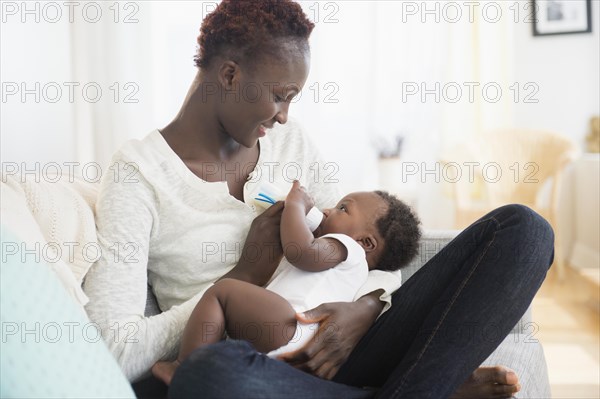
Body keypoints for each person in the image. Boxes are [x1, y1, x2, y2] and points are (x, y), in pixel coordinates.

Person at [83, 0, 554, 398]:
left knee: (524, 231)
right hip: (256, 369)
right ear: (229, 75)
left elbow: (366, 250)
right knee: (211, 374)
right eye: (280, 96)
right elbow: (115, 349)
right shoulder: (138, 175)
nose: (286, 116)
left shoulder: (293, 146)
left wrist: (365, 311)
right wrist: (243, 274)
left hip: (351, 346)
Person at [151, 182, 422, 385]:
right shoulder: (351, 266)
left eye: (342, 208)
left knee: (223, 293)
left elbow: (299, 251)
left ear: (366, 243)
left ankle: (183, 366)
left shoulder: (347, 248)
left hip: (293, 328)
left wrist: (295, 205)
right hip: (297, 351)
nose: (328, 210)